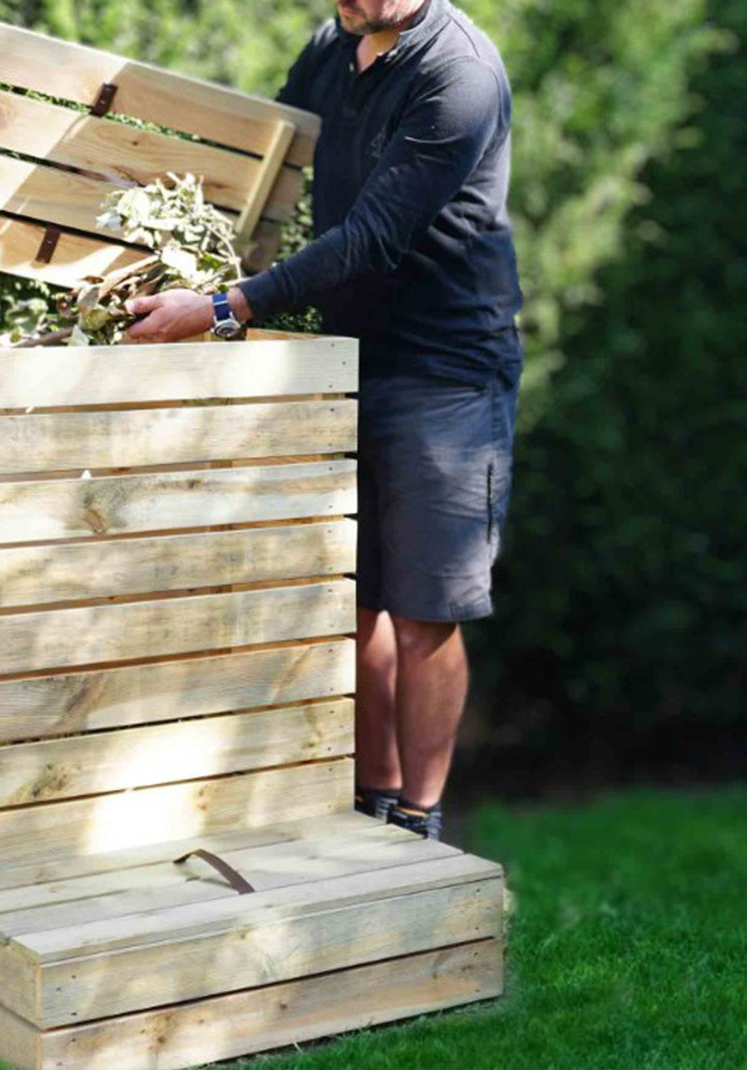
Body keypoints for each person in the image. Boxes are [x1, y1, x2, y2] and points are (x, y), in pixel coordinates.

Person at [123, 0, 523, 840]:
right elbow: (260, 154)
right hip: (345, 358)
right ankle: (370, 799)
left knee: (424, 610)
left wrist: (224, 308)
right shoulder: (333, 45)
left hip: (445, 372)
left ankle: (419, 820)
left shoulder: (459, 76)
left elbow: (371, 236)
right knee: (356, 596)